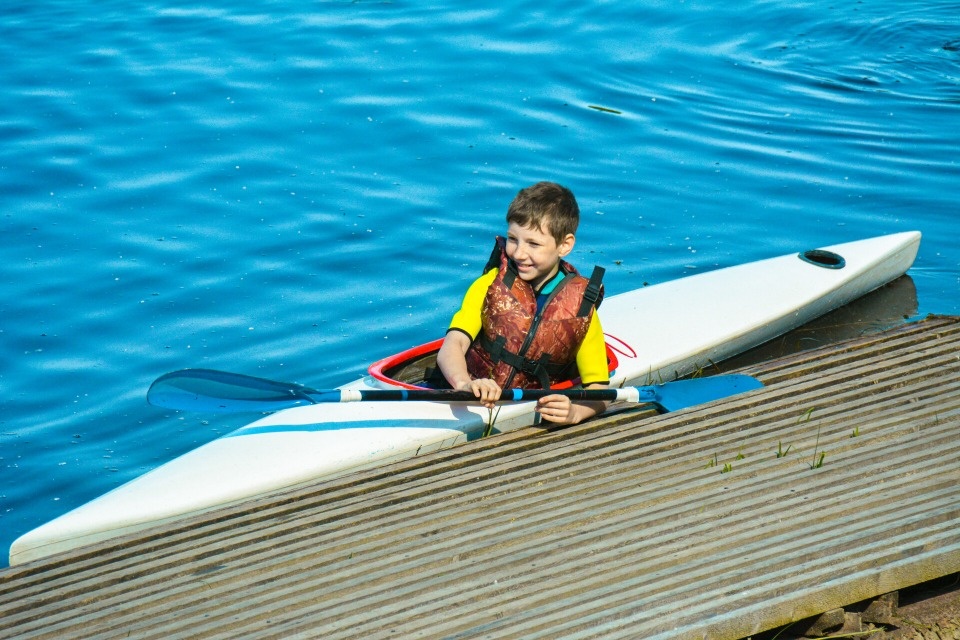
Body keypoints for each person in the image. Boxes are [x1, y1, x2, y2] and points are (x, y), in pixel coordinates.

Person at [436, 181, 608, 425]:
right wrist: (464, 383)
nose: (518, 253)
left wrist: (576, 413)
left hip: (526, 405)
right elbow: (452, 345)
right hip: (468, 393)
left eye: (533, 244)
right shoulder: (489, 285)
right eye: (513, 239)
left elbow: (599, 388)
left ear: (565, 245)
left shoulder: (581, 307)